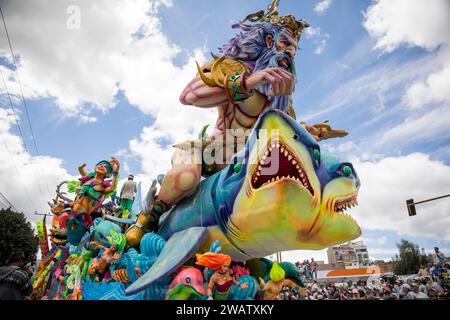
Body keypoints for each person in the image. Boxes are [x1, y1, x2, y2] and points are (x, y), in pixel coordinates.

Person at [125, 0, 323, 246]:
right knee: (186, 177)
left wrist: (305, 131)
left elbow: (282, 137)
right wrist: (247, 82)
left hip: (243, 167)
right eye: (285, 43)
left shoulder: (283, 103)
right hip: (211, 152)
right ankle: (147, 218)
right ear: (269, 42)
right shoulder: (232, 67)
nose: (290, 52)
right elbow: (189, 96)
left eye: (294, 48)